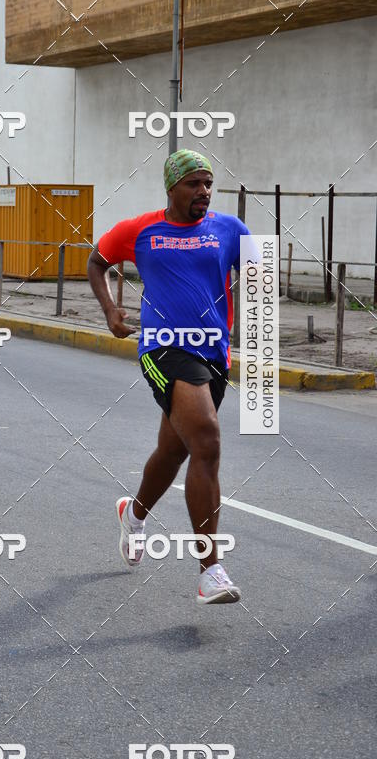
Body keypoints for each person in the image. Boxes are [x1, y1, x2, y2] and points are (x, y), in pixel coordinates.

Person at [87, 149, 250, 605]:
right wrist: (110, 310)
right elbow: (97, 261)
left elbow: (260, 277)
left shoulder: (229, 229)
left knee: (174, 450)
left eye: (208, 183)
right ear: (171, 188)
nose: (204, 191)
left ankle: (134, 514)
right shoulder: (140, 230)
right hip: (163, 348)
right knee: (207, 440)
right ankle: (210, 571)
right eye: (194, 183)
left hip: (213, 353)